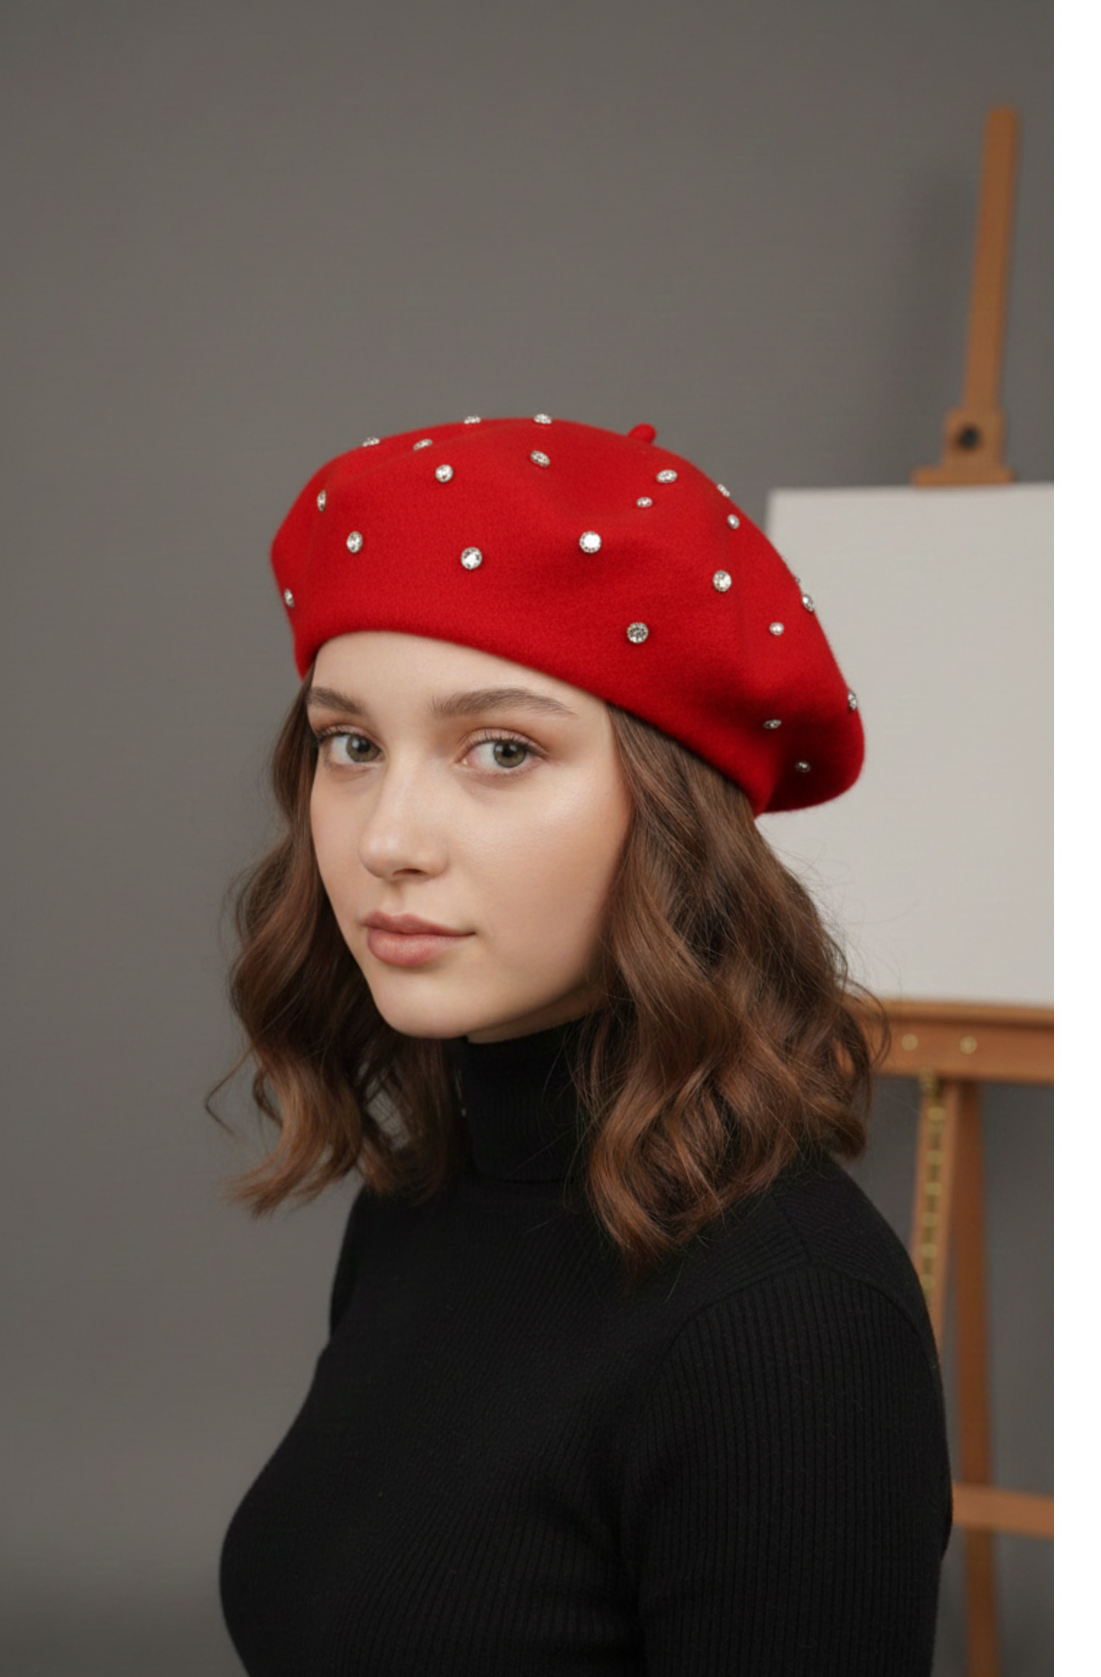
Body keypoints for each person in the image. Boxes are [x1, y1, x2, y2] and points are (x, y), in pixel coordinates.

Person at [216, 414, 953, 1676]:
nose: (387, 837)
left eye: (501, 750)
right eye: (352, 745)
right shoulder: (424, 1198)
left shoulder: (790, 1326)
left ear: (674, 811)